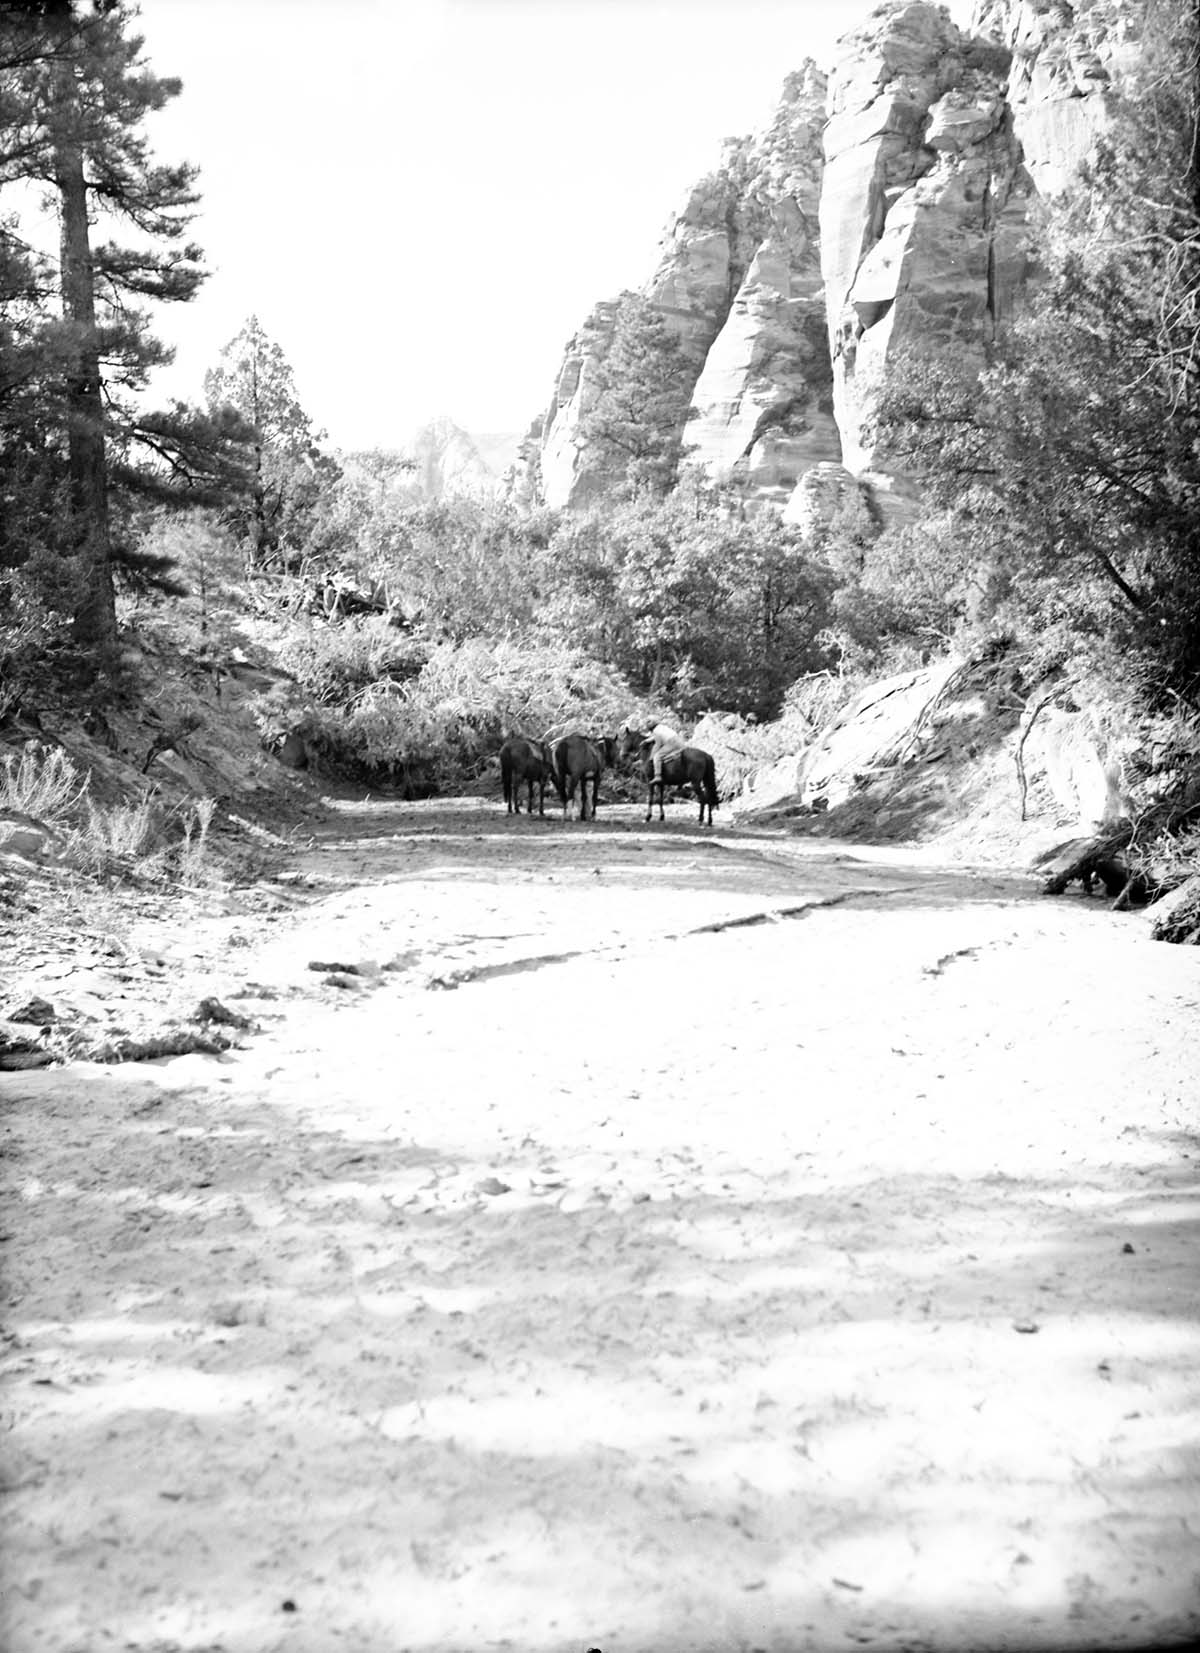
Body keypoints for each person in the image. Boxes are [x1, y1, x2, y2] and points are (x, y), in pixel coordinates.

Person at [644, 721, 686, 789]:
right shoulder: (662, 727)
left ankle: (658, 776)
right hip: (680, 741)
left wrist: (651, 757)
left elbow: (657, 745)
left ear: (651, 729)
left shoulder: (655, 731)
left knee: (657, 756)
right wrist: (646, 741)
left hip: (672, 743)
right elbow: (655, 737)